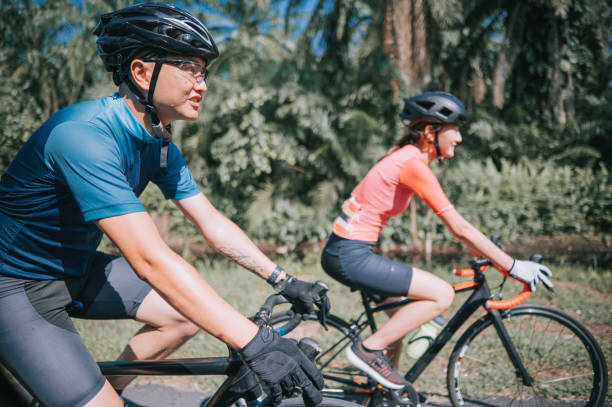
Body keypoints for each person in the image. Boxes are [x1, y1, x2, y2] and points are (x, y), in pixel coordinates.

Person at [0, 3, 328, 407]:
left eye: (203, 71)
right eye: (189, 67)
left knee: (182, 316)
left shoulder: (158, 144)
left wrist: (283, 279)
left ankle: (101, 394)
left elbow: (212, 223)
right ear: (141, 72)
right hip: (14, 283)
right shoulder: (82, 137)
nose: (202, 83)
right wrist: (253, 340)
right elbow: (150, 258)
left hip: (76, 267)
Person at [320, 91, 553, 390]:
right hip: (350, 255)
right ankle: (366, 351)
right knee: (442, 294)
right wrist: (512, 265)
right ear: (431, 132)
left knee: (400, 322)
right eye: (454, 129)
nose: (459, 138)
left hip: (345, 252)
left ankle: (372, 394)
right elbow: (459, 228)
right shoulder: (411, 163)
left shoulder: (406, 159)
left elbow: (460, 230)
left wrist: (491, 254)